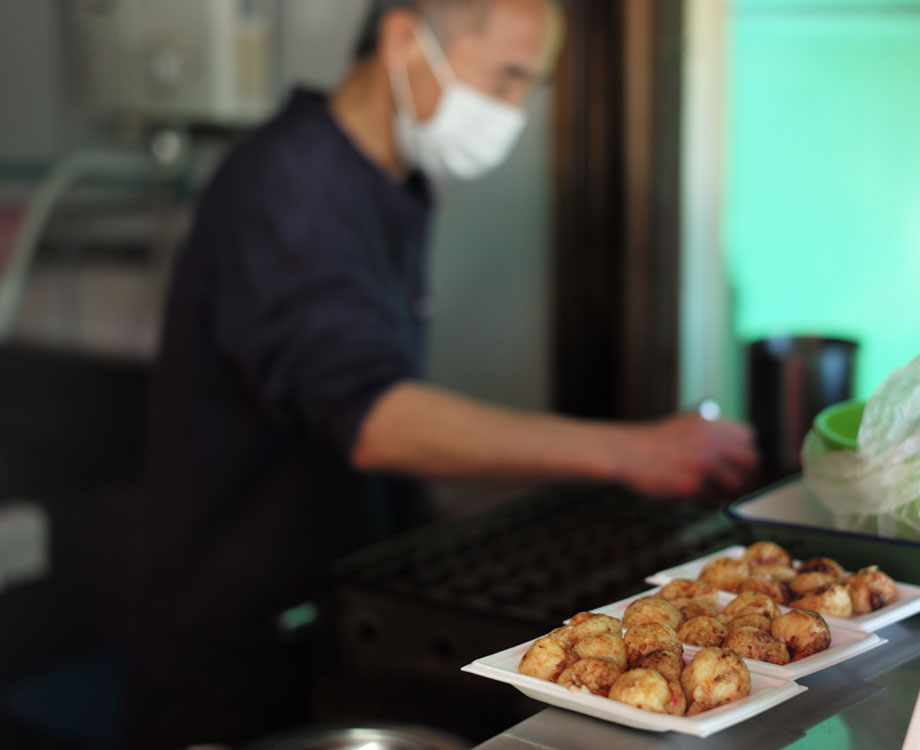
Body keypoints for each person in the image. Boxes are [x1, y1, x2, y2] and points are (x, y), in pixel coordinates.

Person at [126, 0, 757, 747]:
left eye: (532, 85)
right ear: (403, 39)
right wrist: (630, 451)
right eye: (508, 76)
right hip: (239, 645)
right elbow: (372, 418)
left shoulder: (390, 182)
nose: (515, 107)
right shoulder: (289, 184)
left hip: (335, 601)